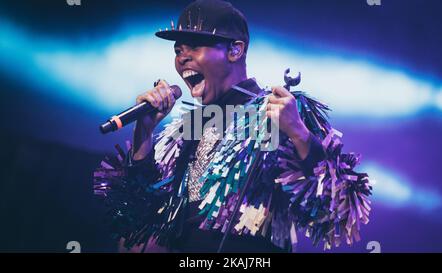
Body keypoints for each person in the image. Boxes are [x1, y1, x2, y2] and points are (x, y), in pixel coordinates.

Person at [94, 0, 372, 253]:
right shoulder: (186, 127)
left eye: (194, 46)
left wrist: (299, 134)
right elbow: (137, 218)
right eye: (178, 50)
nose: (182, 57)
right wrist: (143, 134)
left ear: (235, 50)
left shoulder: (277, 110)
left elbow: (339, 212)